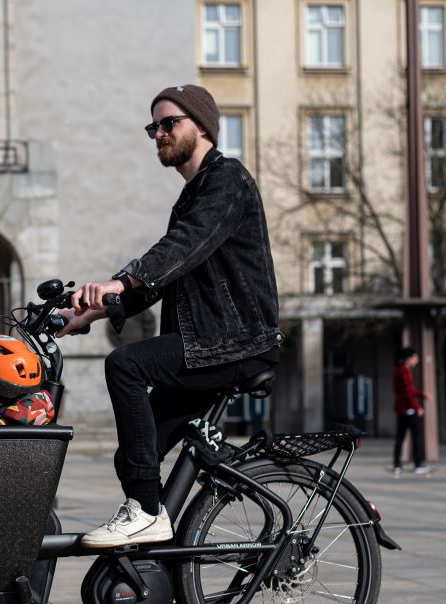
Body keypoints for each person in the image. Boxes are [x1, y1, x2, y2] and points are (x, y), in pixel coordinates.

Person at [57, 84, 281, 548]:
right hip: (206, 345)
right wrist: (93, 312)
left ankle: (146, 513)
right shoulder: (192, 195)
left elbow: (180, 249)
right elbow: (169, 277)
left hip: (233, 341)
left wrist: (120, 281)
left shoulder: (226, 181)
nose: (159, 133)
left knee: (126, 364)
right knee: (133, 458)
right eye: (153, 127)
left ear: (202, 127)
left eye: (169, 123)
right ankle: (157, 563)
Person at [393, 346, 430, 476]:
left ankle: (397, 464)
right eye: (415, 358)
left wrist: (422, 394)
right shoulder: (405, 371)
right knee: (416, 436)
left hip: (401, 409)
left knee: (400, 437)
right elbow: (408, 393)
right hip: (408, 409)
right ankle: (418, 464)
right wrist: (417, 407)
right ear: (409, 359)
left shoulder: (399, 370)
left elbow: (409, 391)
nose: (417, 361)